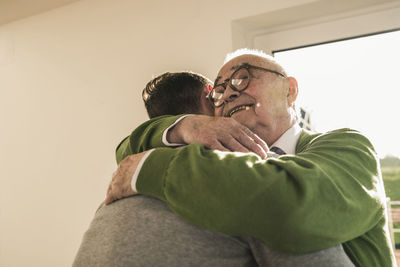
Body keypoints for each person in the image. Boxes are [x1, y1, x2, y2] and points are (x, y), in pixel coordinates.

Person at [105, 49, 396, 267]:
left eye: (242, 78)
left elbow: (292, 207)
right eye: (218, 92)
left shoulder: (348, 144)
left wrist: (148, 166)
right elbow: (126, 147)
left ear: (290, 90)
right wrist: (185, 125)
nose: (228, 94)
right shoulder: (219, 161)